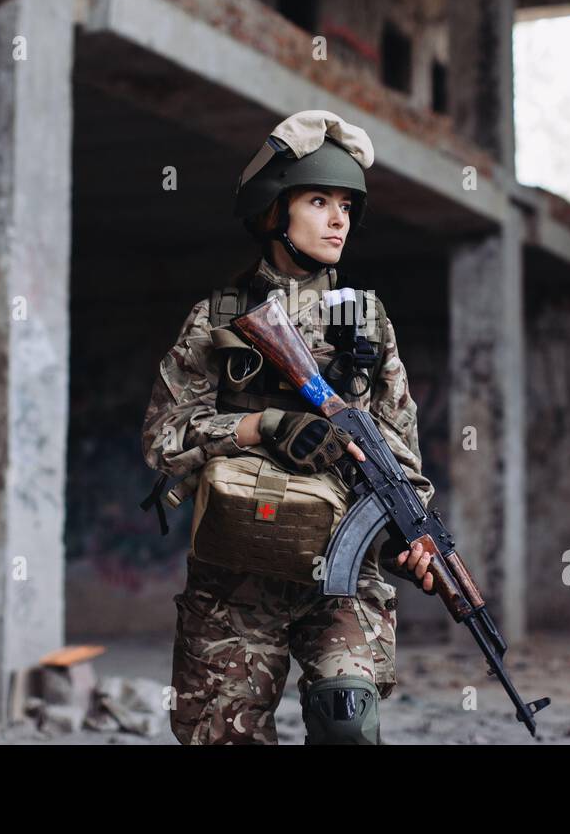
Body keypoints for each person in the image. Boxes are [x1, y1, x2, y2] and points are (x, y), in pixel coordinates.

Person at [140, 110, 437, 744]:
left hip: (341, 575)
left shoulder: (365, 320)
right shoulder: (218, 317)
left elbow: (399, 449)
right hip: (236, 580)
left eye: (348, 207)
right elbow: (165, 439)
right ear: (275, 212)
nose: (339, 220)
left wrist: (414, 535)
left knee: (347, 725)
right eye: (319, 201)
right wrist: (261, 426)